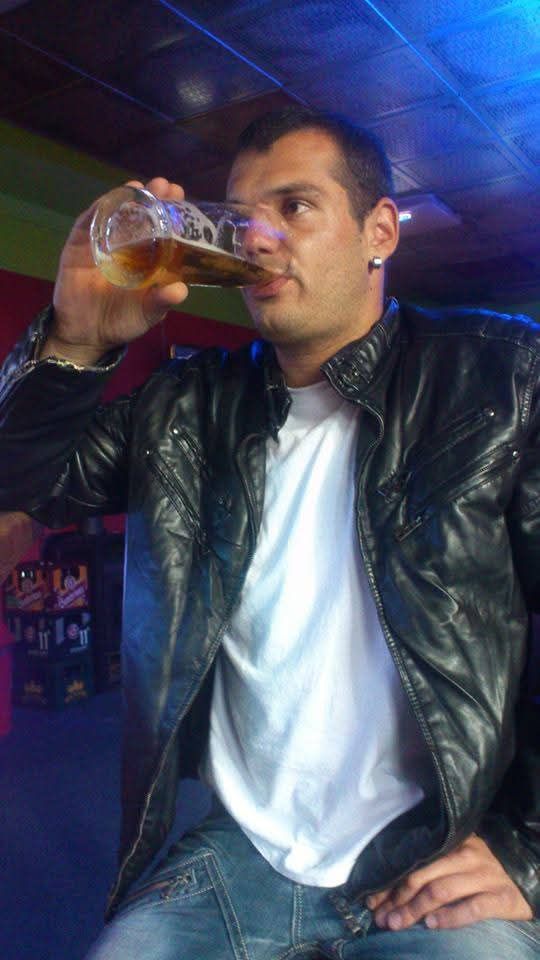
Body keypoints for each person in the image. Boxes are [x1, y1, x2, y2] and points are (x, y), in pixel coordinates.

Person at [0, 106, 538, 959]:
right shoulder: (186, 404)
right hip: (243, 849)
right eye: (245, 214)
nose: (256, 237)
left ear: (379, 232)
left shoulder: (500, 375)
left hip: (435, 849)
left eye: (295, 206)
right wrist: (73, 340)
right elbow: (19, 487)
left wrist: (529, 848)